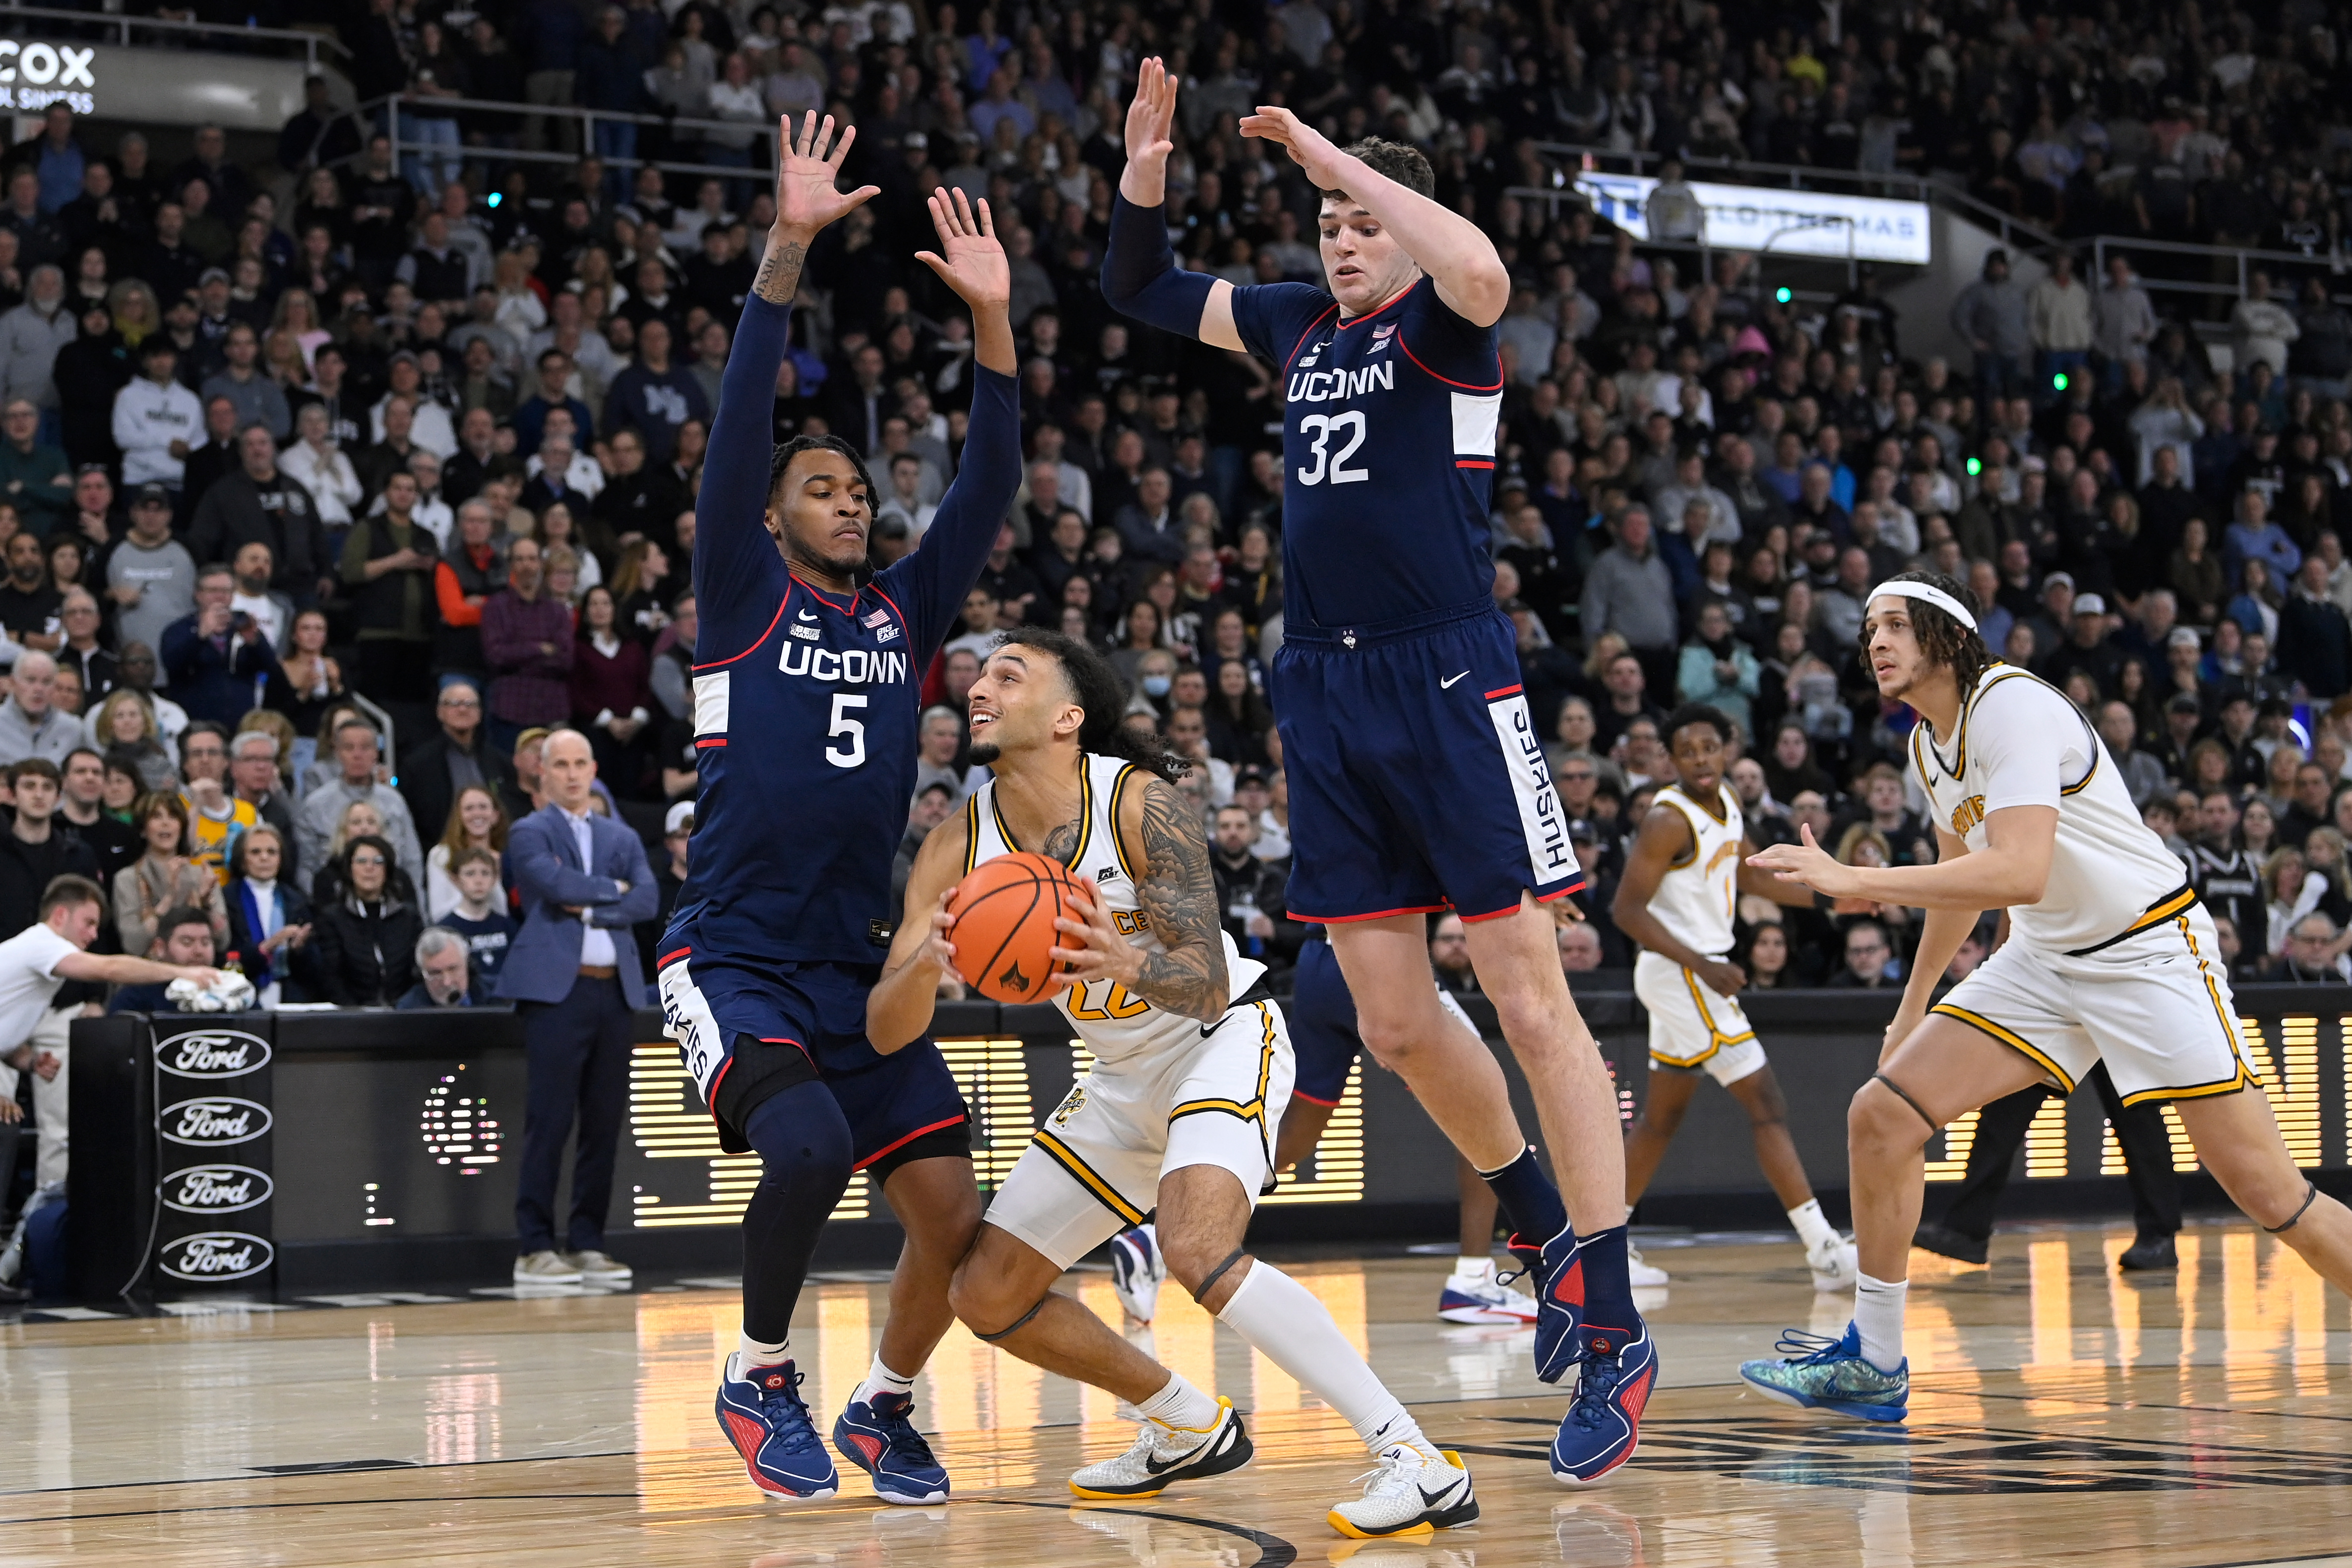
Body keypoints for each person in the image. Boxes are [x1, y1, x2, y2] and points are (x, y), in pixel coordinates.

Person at [1099, 61, 1646, 1480]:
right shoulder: (1295, 324)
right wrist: (1144, 172)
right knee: (1393, 1021)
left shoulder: (1444, 324)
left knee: (1529, 997)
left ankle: (1613, 1318)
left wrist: (1338, 156)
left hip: (1449, 677)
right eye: (1327, 223)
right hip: (1327, 691)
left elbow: (1481, 266)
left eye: (1359, 220)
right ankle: (1537, 1222)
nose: (1340, 239)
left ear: (1401, 224)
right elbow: (1136, 286)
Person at [873, 630, 1475, 1535]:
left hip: (1219, 1039)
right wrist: (925, 963)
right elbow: (887, 1029)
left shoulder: (1137, 801)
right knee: (984, 1292)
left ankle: (1416, 1459)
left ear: (1068, 715)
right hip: (1119, 1077)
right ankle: (1186, 1421)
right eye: (979, 675)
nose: (979, 687)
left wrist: (1122, 957)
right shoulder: (956, 846)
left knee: (1195, 1248)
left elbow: (1206, 980)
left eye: (1009, 674)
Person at [1742, 570, 2352, 1423]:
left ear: (1948, 634)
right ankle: (1874, 1362)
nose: (1874, 641)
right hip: (2043, 956)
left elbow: (2018, 871)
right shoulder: (1926, 745)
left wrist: (1856, 878)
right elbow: (1962, 880)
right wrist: (1910, 1007)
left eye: (1895, 625)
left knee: (2271, 1195)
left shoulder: (2011, 705)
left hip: (2145, 950)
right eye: (1869, 628)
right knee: (1879, 1116)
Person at [652, 117, 1022, 1506]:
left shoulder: (901, 612)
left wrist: (992, 323)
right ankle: (759, 1376)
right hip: (733, 952)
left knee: (952, 1216)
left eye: (860, 491)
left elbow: (987, 485)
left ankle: (882, 1403)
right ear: (768, 518)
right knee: (804, 1147)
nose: (850, 504)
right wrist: (787, 246)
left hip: (859, 964)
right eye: (821, 489)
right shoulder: (741, 589)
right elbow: (743, 420)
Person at [1609, 705, 1859, 1291]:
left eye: (1709, 747)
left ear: (1727, 749)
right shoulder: (1666, 820)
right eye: (1686, 751)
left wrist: (1833, 897)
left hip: (1692, 975)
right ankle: (1822, 1248)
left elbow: (1749, 875)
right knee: (1764, 1100)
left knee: (1659, 1120)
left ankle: (1599, 1247)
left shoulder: (1725, 802)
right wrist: (1702, 965)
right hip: (1684, 973)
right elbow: (1624, 910)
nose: (1700, 759)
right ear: (1670, 760)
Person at [1272, 929, 1539, 1326]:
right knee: (1481, 1102)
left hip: (1318, 959)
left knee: (1294, 1136)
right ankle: (1473, 1279)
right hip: (1380, 956)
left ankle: (1183, 1228)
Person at [497, 728, 655, 1285]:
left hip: (614, 993)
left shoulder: (620, 834)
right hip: (556, 995)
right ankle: (535, 1246)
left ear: (593, 770)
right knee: (550, 1120)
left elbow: (647, 898)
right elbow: (551, 883)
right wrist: (614, 891)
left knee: (604, 1123)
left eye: (579, 763)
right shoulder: (528, 829)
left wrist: (589, 907)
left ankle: (588, 1242)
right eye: (559, 764)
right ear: (541, 772)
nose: (570, 774)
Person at [0, 876, 227, 1227]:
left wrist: (27, 1060)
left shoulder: (35, 954)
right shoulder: (42, 943)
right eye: (88, 923)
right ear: (60, 915)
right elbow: (108, 968)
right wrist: (184, 973)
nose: (93, 935)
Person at [295, 714, 425, 892]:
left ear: (376, 753)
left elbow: (412, 862)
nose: (357, 755)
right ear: (337, 753)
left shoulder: (394, 802)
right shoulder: (316, 805)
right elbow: (305, 869)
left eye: (365, 748)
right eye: (349, 748)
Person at [400, 677, 516, 849]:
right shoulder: (418, 765)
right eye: (454, 704)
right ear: (440, 712)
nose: (463, 710)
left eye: (470, 704)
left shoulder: (500, 762)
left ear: (480, 713)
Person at [309, 833, 425, 1005]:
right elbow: (332, 977)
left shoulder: (409, 917)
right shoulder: (332, 919)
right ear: (350, 870)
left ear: (388, 870)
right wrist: (355, 1014)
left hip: (403, 1010)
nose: (370, 868)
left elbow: (418, 971)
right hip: (352, 1013)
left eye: (378, 862)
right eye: (361, 861)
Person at [114, 790, 224, 957]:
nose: (165, 823)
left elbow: (223, 941)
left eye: (173, 817)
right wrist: (168, 899)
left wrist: (207, 904)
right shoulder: (127, 879)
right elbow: (133, 945)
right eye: (156, 817)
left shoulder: (201, 875)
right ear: (143, 829)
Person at [222, 823, 314, 1006]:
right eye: (255, 852)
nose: (264, 858)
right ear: (242, 859)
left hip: (290, 995)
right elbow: (225, 956)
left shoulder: (297, 900)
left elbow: (314, 967)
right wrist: (268, 946)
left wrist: (300, 949)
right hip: (242, 994)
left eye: (272, 852)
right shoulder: (227, 899)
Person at [105, 903, 220, 1013]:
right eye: (187, 942)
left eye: (205, 943)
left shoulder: (227, 992)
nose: (199, 951)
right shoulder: (134, 998)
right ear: (160, 948)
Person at [435, 844, 515, 988]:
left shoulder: (509, 927)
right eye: (470, 874)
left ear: (495, 879)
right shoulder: (444, 931)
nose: (479, 881)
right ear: (455, 879)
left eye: (485, 873)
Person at [426, 782, 508, 920]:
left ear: (495, 815)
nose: (477, 814)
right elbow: (438, 913)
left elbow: (504, 912)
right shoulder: (441, 855)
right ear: (459, 816)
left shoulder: (507, 856)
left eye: (483, 807)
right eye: (469, 808)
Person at [399, 925, 488, 1008]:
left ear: (468, 966)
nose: (447, 983)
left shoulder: (493, 997)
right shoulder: (408, 1010)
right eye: (435, 973)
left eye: (453, 969)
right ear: (421, 975)